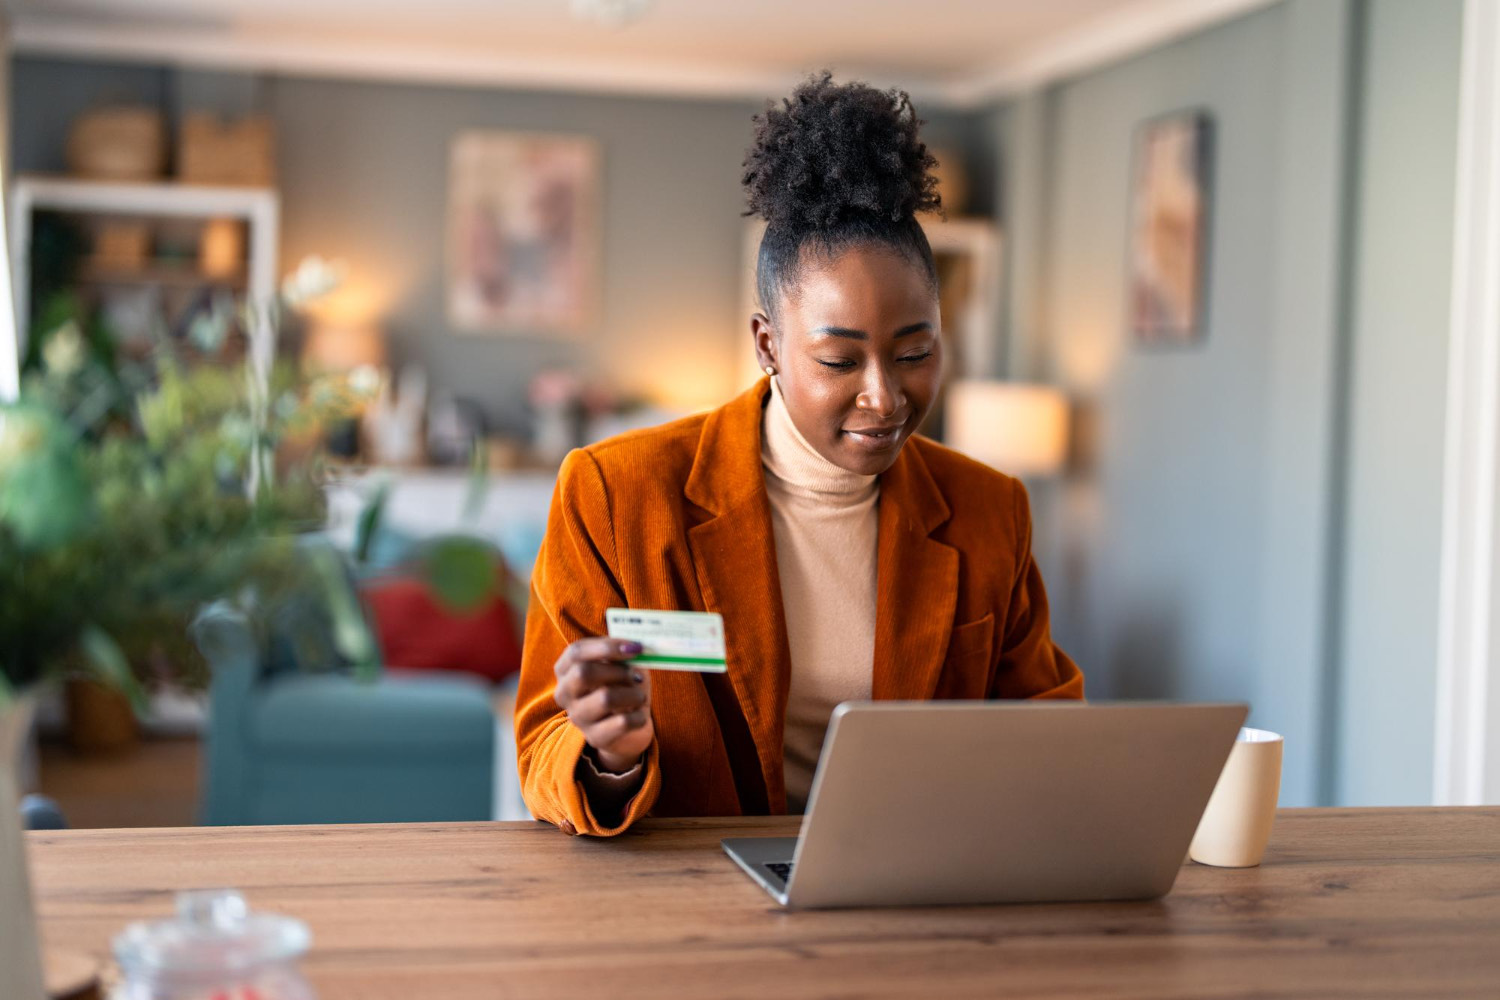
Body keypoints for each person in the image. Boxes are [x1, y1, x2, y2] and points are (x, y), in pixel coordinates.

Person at [516, 72, 1083, 837]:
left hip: (911, 889)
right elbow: (542, 746)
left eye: (914, 352)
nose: (884, 396)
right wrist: (610, 752)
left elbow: (1044, 730)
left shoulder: (990, 511)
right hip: (696, 906)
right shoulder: (616, 494)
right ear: (767, 345)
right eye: (841, 362)